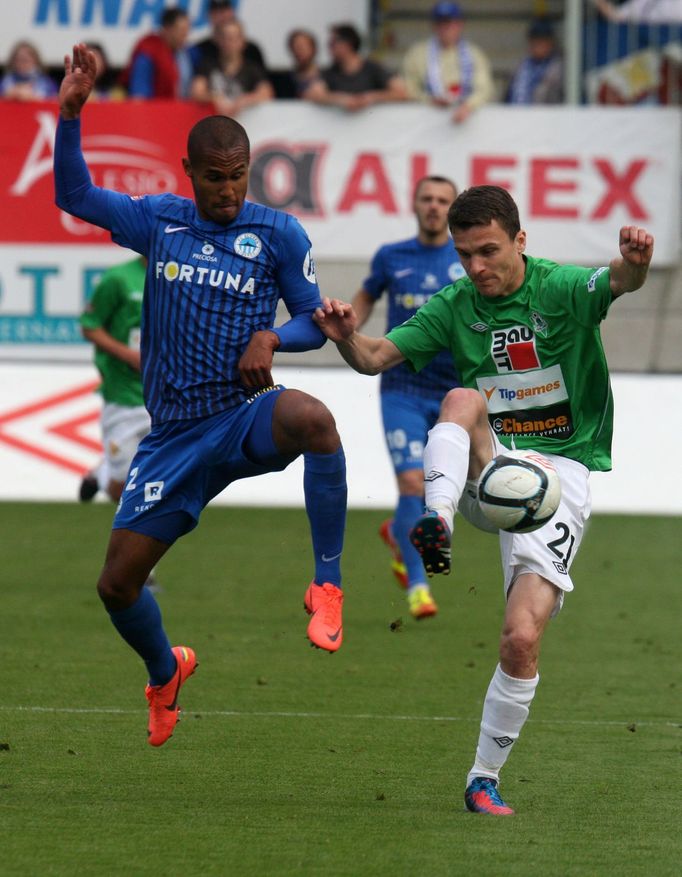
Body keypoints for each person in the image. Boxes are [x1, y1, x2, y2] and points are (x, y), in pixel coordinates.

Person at [313, 184, 654, 815]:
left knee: (520, 639)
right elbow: (376, 358)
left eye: (488, 252)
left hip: (558, 480)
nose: (475, 268)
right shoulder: (455, 304)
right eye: (464, 254)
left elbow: (618, 282)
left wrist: (634, 259)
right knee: (462, 401)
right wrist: (343, 336)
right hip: (485, 466)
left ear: (520, 241)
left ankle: (482, 778)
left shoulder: (556, 288)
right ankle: (432, 524)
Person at [55, 44, 348, 749]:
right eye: (214, 179)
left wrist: (274, 338)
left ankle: (327, 584)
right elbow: (74, 196)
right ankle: (165, 672)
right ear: (189, 173)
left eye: (239, 177)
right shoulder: (161, 222)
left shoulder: (278, 233)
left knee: (317, 420)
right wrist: (70, 115)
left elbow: (314, 317)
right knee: (117, 586)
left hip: (240, 415)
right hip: (173, 438)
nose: (227, 191)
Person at [352, 175, 464, 620]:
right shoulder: (391, 256)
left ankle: (401, 535)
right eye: (427, 199)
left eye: (442, 201)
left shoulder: (466, 257)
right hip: (402, 386)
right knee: (413, 485)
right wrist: (348, 328)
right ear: (414, 204)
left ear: (453, 209)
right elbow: (366, 296)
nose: (434, 207)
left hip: (455, 390)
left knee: (450, 492)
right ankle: (418, 586)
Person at [78, 254, 150, 504]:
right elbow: (90, 325)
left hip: (167, 394)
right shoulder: (118, 278)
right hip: (125, 392)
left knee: (160, 474)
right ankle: (105, 473)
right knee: (119, 489)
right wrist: (129, 355)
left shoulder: (184, 275)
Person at [402, 1, 495, 123]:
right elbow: (407, 88)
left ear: (460, 25)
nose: (445, 28)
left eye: (450, 22)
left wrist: (468, 106)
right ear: (433, 26)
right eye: (440, 23)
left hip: (466, 126)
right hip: (425, 125)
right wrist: (429, 100)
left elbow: (485, 89)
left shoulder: (474, 54)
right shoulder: (417, 54)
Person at [305, 23, 408, 111]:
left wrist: (371, 97)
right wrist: (340, 99)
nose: (329, 48)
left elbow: (401, 92)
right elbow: (313, 94)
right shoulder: (329, 72)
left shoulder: (373, 68)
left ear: (348, 44)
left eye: (332, 43)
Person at [190, 19, 274, 116]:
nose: (229, 42)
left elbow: (266, 92)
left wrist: (245, 100)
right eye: (225, 37)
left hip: (244, 123)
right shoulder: (208, 65)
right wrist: (214, 98)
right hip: (213, 121)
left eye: (234, 38)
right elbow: (196, 92)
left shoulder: (252, 68)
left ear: (242, 41)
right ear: (217, 40)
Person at [120, 7, 193, 99]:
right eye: (182, 30)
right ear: (167, 29)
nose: (186, 35)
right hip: (156, 110)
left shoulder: (185, 54)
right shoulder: (148, 53)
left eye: (187, 30)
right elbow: (139, 95)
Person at [190, 0, 266, 74]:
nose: (221, 17)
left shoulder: (252, 51)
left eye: (224, 11)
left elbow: (262, 81)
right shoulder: (199, 50)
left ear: (232, 12)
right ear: (208, 15)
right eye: (216, 12)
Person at [506, 18, 564, 105]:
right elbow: (508, 96)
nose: (538, 46)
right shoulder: (521, 66)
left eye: (542, 41)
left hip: (546, 116)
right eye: (534, 41)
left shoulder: (557, 68)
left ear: (551, 43)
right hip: (516, 115)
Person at [280, 29, 322, 98]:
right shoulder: (285, 81)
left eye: (303, 46)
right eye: (296, 47)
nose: (300, 50)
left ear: (313, 48)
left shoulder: (328, 78)